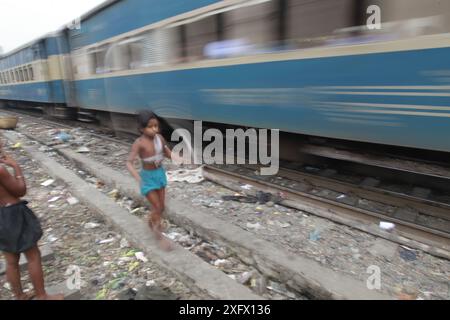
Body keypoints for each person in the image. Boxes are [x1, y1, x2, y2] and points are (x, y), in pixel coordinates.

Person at [0, 143, 63, 300]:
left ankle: (20, 296)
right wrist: (16, 167)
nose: (2, 144)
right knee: (33, 255)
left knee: (11, 261)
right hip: (13, 214)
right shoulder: (0, 170)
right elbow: (20, 190)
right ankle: (42, 296)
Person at [126, 111, 180, 251]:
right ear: (141, 129)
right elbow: (129, 163)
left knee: (161, 207)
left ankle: (151, 222)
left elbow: (166, 152)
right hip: (147, 178)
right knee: (156, 206)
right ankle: (159, 235)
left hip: (159, 174)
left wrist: (178, 158)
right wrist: (138, 177)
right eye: (150, 127)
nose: (155, 129)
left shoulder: (160, 138)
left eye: (156, 126)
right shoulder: (139, 143)